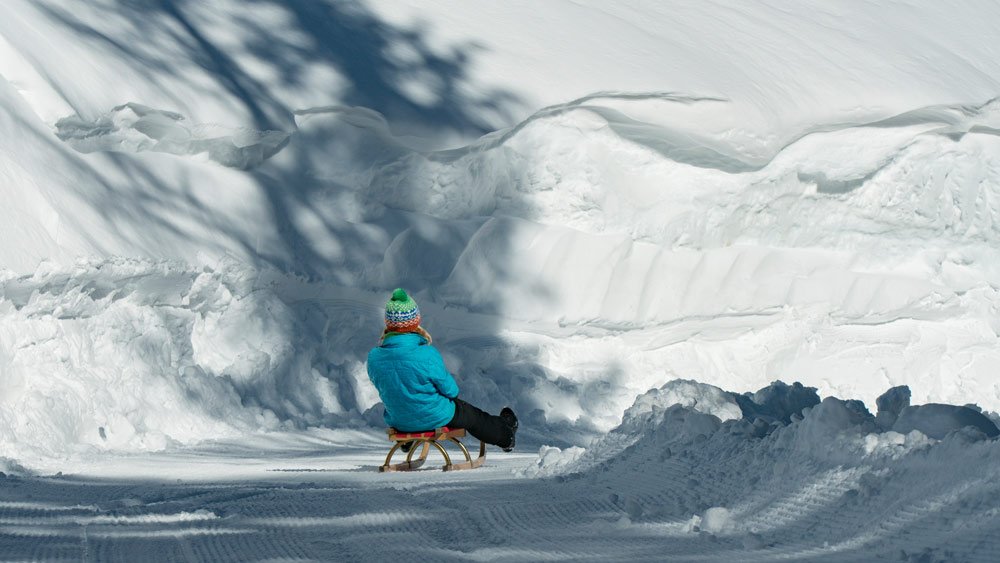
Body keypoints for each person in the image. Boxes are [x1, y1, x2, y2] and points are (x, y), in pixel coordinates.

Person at [367, 288, 518, 451]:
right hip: (434, 416)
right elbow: (451, 391)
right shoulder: (426, 354)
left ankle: (408, 441)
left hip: (398, 420)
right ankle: (506, 436)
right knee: (472, 416)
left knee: (406, 402)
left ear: (388, 323)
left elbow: (387, 388)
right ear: (415, 322)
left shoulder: (374, 357)